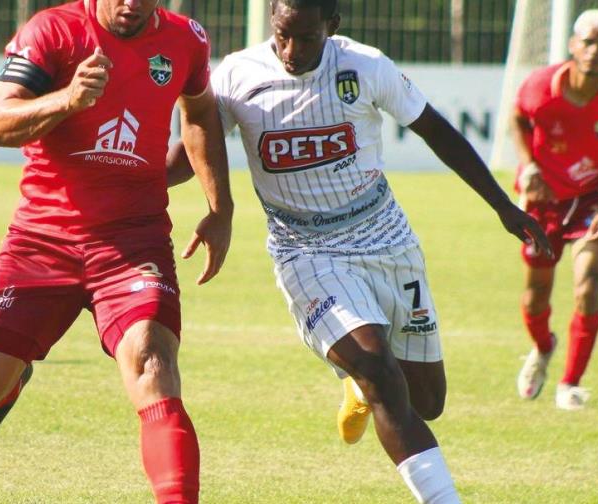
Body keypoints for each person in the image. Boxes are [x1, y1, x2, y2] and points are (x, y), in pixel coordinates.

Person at [167, 0, 551, 501]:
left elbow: (436, 131)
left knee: (426, 401)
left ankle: (355, 380)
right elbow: (192, 148)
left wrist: (504, 206)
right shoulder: (239, 75)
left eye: (305, 38)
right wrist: (124, 185)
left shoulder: (364, 67)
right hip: (304, 247)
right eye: (282, 34)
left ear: (333, 26)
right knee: (377, 368)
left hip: (386, 238)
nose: (290, 49)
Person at [0, 1, 233, 503]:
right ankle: (11, 383)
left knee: (153, 363)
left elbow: (202, 113)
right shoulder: (52, 31)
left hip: (133, 242)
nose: (130, 4)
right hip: (41, 241)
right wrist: (67, 100)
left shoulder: (186, 40)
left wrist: (220, 206)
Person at [512, 9, 598, 411]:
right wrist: (530, 166)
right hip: (545, 200)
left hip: (594, 198)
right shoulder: (540, 86)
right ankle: (542, 347)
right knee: (536, 297)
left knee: (588, 286)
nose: (593, 50)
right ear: (573, 45)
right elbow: (518, 120)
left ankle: (570, 383)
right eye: (587, 42)